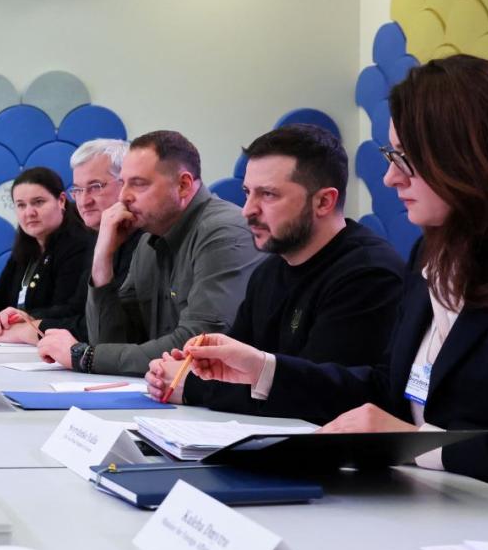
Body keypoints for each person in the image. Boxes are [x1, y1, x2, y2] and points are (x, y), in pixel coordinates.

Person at [177, 57, 488, 503]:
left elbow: (422, 430)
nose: (391, 177)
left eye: (405, 158)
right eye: (390, 157)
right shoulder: (432, 255)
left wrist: (428, 445)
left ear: (472, 155)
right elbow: (386, 395)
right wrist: (262, 369)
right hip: (422, 507)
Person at [145, 125, 407, 414]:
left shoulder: (367, 276)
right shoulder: (269, 270)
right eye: (247, 193)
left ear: (323, 201)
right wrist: (195, 366)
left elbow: (316, 397)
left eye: (268, 195)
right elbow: (239, 369)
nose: (247, 210)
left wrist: (192, 386)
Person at [40, 130, 261, 375]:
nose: (124, 197)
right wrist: (103, 257)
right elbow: (112, 341)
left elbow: (196, 346)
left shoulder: (224, 232)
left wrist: (84, 356)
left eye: (138, 184)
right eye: (123, 183)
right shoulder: (148, 241)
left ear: (183, 185)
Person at [0, 166, 91, 340]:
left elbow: (68, 310)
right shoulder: (25, 246)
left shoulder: (79, 244)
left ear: (61, 201)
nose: (29, 213)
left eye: (38, 202)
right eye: (21, 205)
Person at [68, 138, 142, 291]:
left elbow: (120, 312)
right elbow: (80, 309)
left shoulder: (146, 241)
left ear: (125, 183)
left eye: (95, 187)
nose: (83, 201)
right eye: (77, 190)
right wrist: (32, 316)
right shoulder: (90, 236)